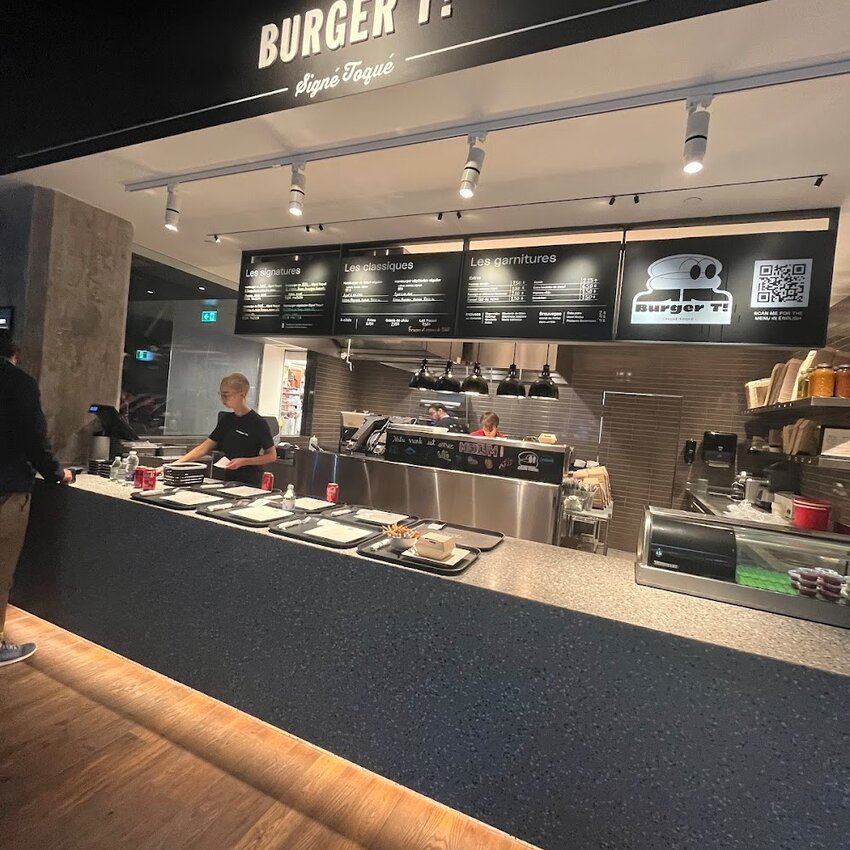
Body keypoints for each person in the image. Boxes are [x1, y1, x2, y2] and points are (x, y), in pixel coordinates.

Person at [0, 330, 73, 667]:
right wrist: (57, 472)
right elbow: (34, 439)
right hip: (7, 488)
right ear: (13, 353)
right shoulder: (19, 383)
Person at [176, 373, 276, 486]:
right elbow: (204, 448)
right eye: (221, 395)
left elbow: (271, 456)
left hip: (250, 482)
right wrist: (175, 465)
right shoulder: (226, 420)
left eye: (226, 395)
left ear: (242, 394)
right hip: (229, 479)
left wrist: (244, 461)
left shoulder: (258, 422)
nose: (222, 399)